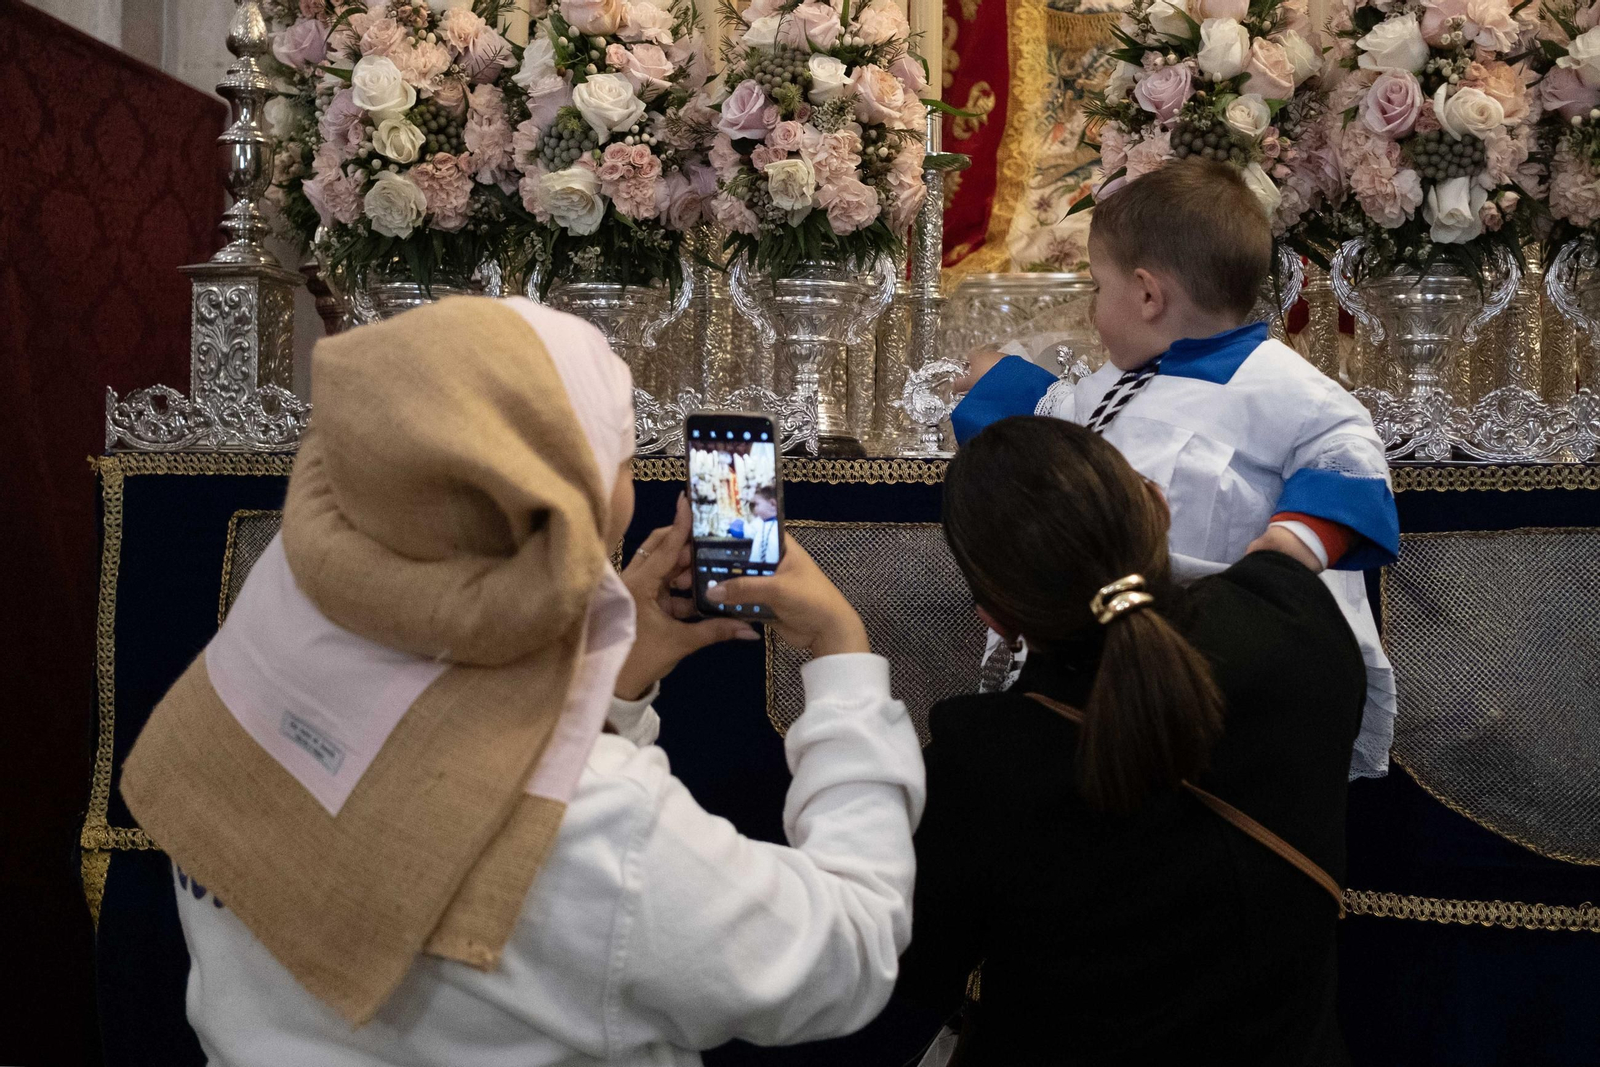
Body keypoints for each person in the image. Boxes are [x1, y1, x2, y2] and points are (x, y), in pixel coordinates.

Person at [119, 296, 925, 1066]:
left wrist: (600, 685)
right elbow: (846, 950)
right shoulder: (596, 822)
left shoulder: (276, 619)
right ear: (565, 498)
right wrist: (840, 655)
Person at [894, 416, 1367, 1065]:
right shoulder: (1294, 623)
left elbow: (906, 973)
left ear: (995, 617)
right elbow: (1283, 552)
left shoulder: (982, 758)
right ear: (1158, 505)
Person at [947, 159, 1400, 779]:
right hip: (1114, 656)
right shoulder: (1121, 381)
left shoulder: (1277, 381)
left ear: (1147, 294)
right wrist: (995, 380)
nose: (1092, 312)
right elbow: (1066, 425)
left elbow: (1345, 450)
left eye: (1097, 290)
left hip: (1230, 657)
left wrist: (1286, 554)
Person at [744, 487, 781, 565]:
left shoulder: (781, 526)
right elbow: (748, 532)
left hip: (773, 570)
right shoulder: (758, 522)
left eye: (757, 504)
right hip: (755, 569)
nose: (755, 508)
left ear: (772, 504)